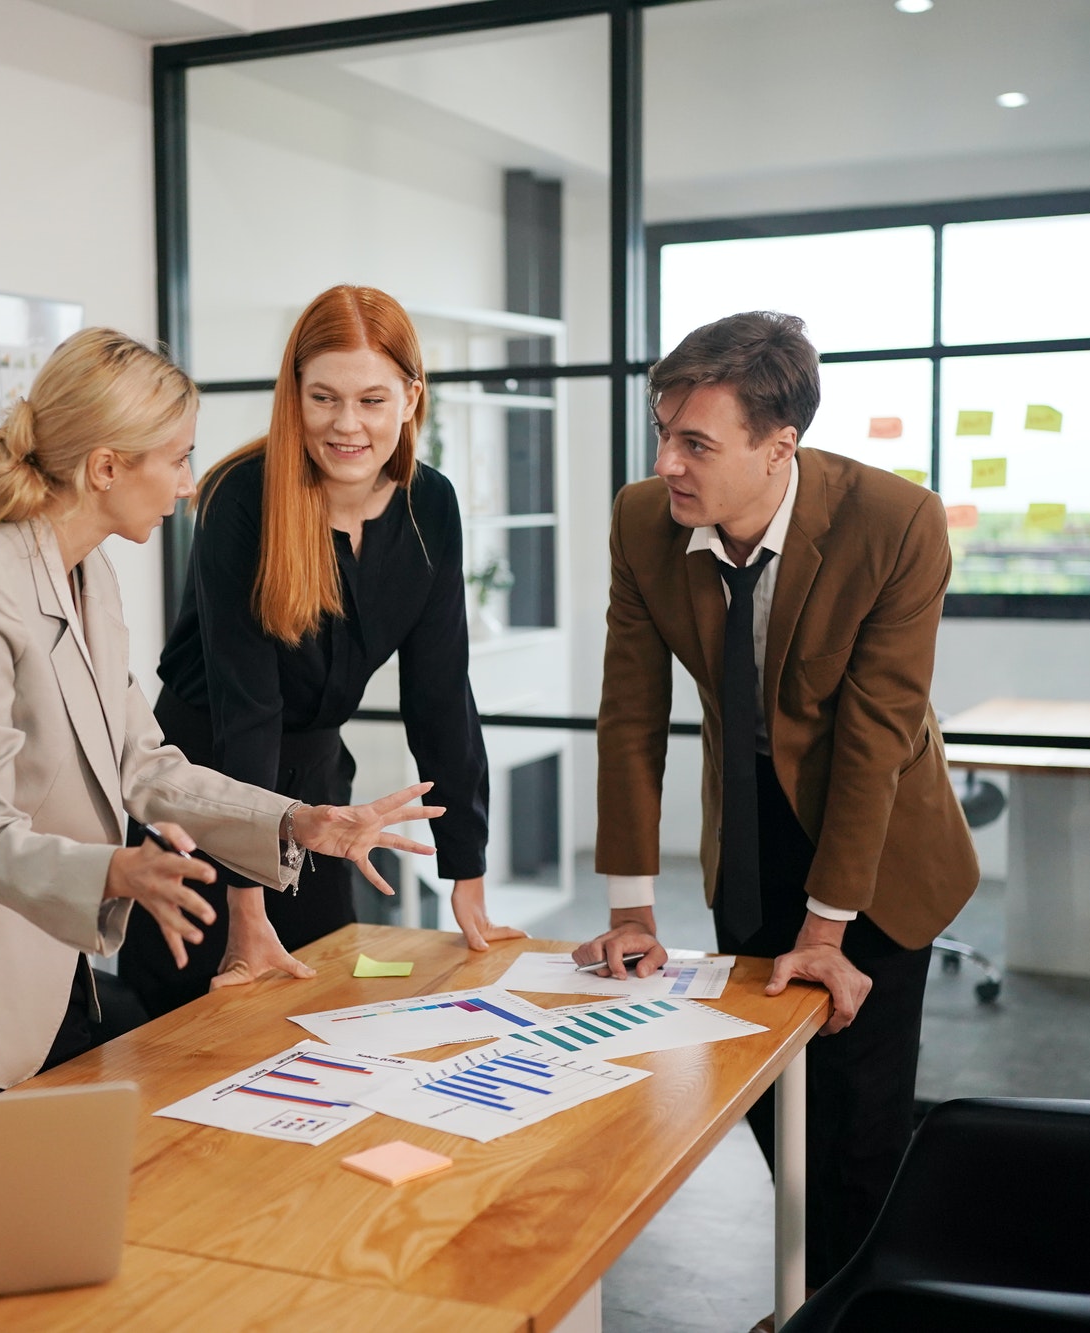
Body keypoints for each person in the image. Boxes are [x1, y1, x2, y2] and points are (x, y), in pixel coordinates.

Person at [0, 327, 441, 1103]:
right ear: (107, 467)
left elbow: (144, 764)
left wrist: (294, 820)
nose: (189, 485)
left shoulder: (92, 577)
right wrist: (117, 867)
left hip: (46, 974)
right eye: (178, 457)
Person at [572, 311, 978, 1300]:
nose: (666, 461)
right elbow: (630, 712)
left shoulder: (895, 523)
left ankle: (847, 1309)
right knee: (765, 1085)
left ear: (776, 445)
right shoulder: (642, 520)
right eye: (662, 431)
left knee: (858, 1122)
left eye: (694, 442)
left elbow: (874, 738)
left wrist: (827, 923)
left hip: (877, 840)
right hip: (749, 822)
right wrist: (630, 904)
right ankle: (819, 1294)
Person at [119, 285, 520, 1018]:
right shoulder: (242, 497)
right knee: (188, 1026)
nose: (347, 425)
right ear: (293, 395)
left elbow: (441, 700)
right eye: (324, 398)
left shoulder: (430, 506)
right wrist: (247, 905)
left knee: (321, 1013)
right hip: (204, 785)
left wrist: (468, 877)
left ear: (410, 396)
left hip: (318, 787)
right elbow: (248, 709)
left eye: (372, 400)